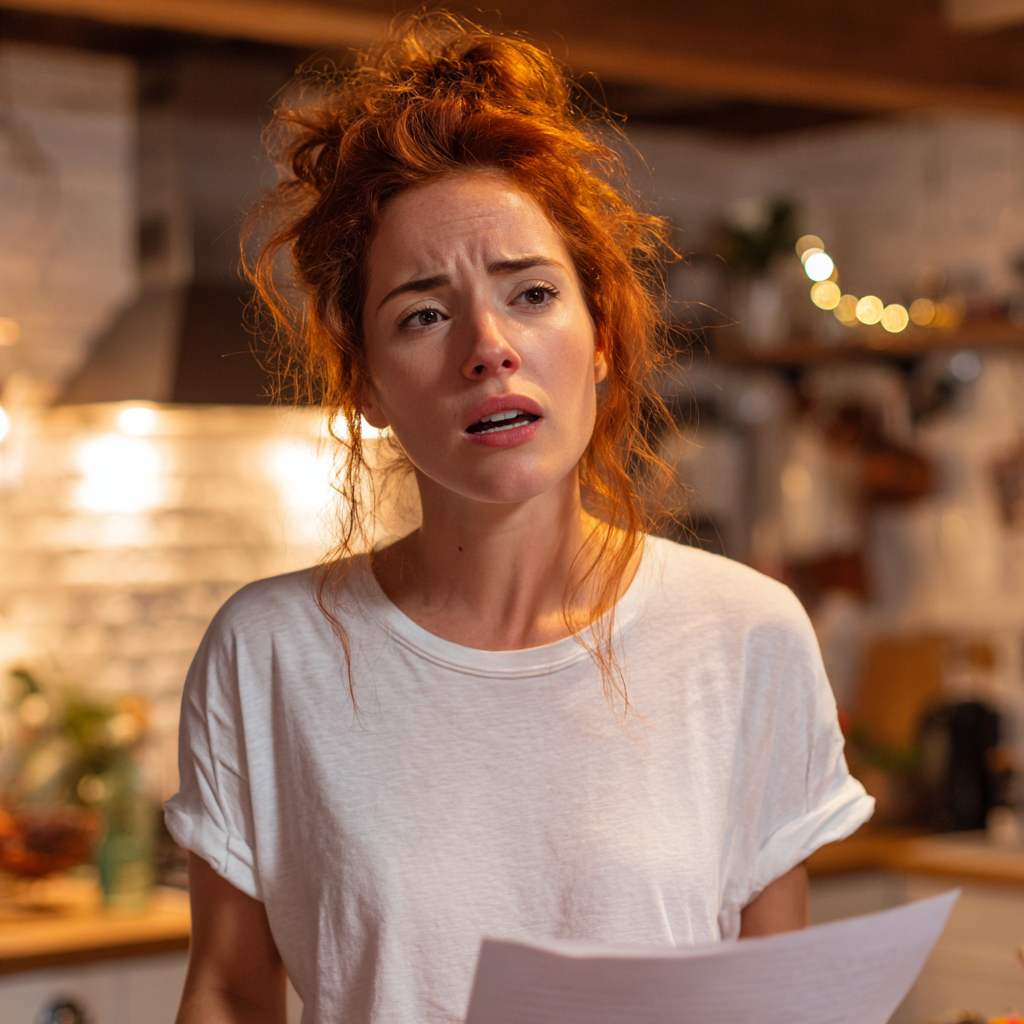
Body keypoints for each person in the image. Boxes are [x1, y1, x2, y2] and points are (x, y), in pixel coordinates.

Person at [166, 13, 873, 1024]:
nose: (488, 345)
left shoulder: (747, 635)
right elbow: (232, 993)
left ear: (600, 336)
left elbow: (777, 1007)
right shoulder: (270, 650)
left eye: (531, 293)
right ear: (364, 379)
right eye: (422, 312)